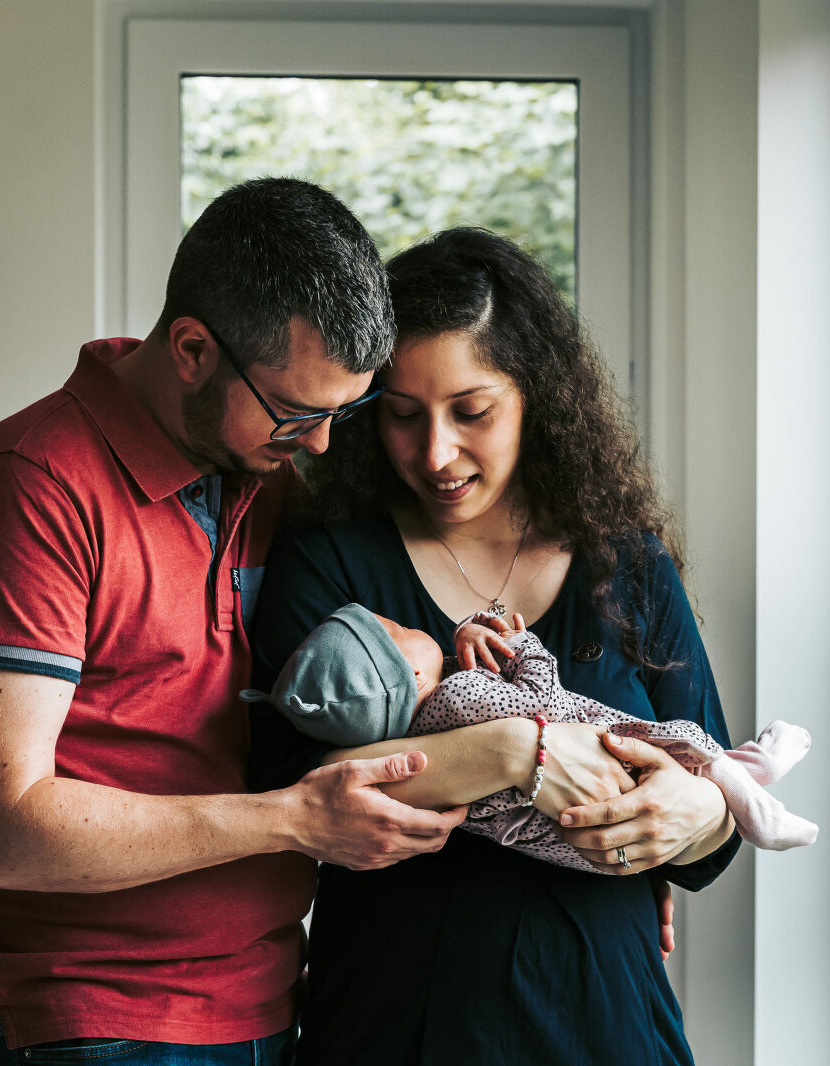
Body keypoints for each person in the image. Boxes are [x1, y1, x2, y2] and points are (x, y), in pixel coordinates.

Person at [0, 178, 469, 1066]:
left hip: (266, 996)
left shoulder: (261, 470)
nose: (323, 444)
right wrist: (292, 821)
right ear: (190, 350)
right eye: (300, 413)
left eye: (344, 413)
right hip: (96, 1018)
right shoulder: (28, 487)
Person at [247, 226, 747, 1065]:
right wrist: (519, 749)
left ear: (535, 397)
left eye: (471, 411)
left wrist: (699, 815)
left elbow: (714, 795)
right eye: (401, 416)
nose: (434, 453)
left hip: (610, 1030)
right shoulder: (332, 555)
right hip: (391, 1028)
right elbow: (290, 791)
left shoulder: (623, 560)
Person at [244, 603, 818, 870]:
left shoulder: (429, 721)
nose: (406, 621)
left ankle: (743, 779)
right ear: (411, 676)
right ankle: (758, 799)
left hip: (592, 854)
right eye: (396, 630)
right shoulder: (459, 696)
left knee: (694, 765)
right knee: (683, 739)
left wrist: (701, 816)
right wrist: (519, 642)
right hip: (599, 779)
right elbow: (539, 704)